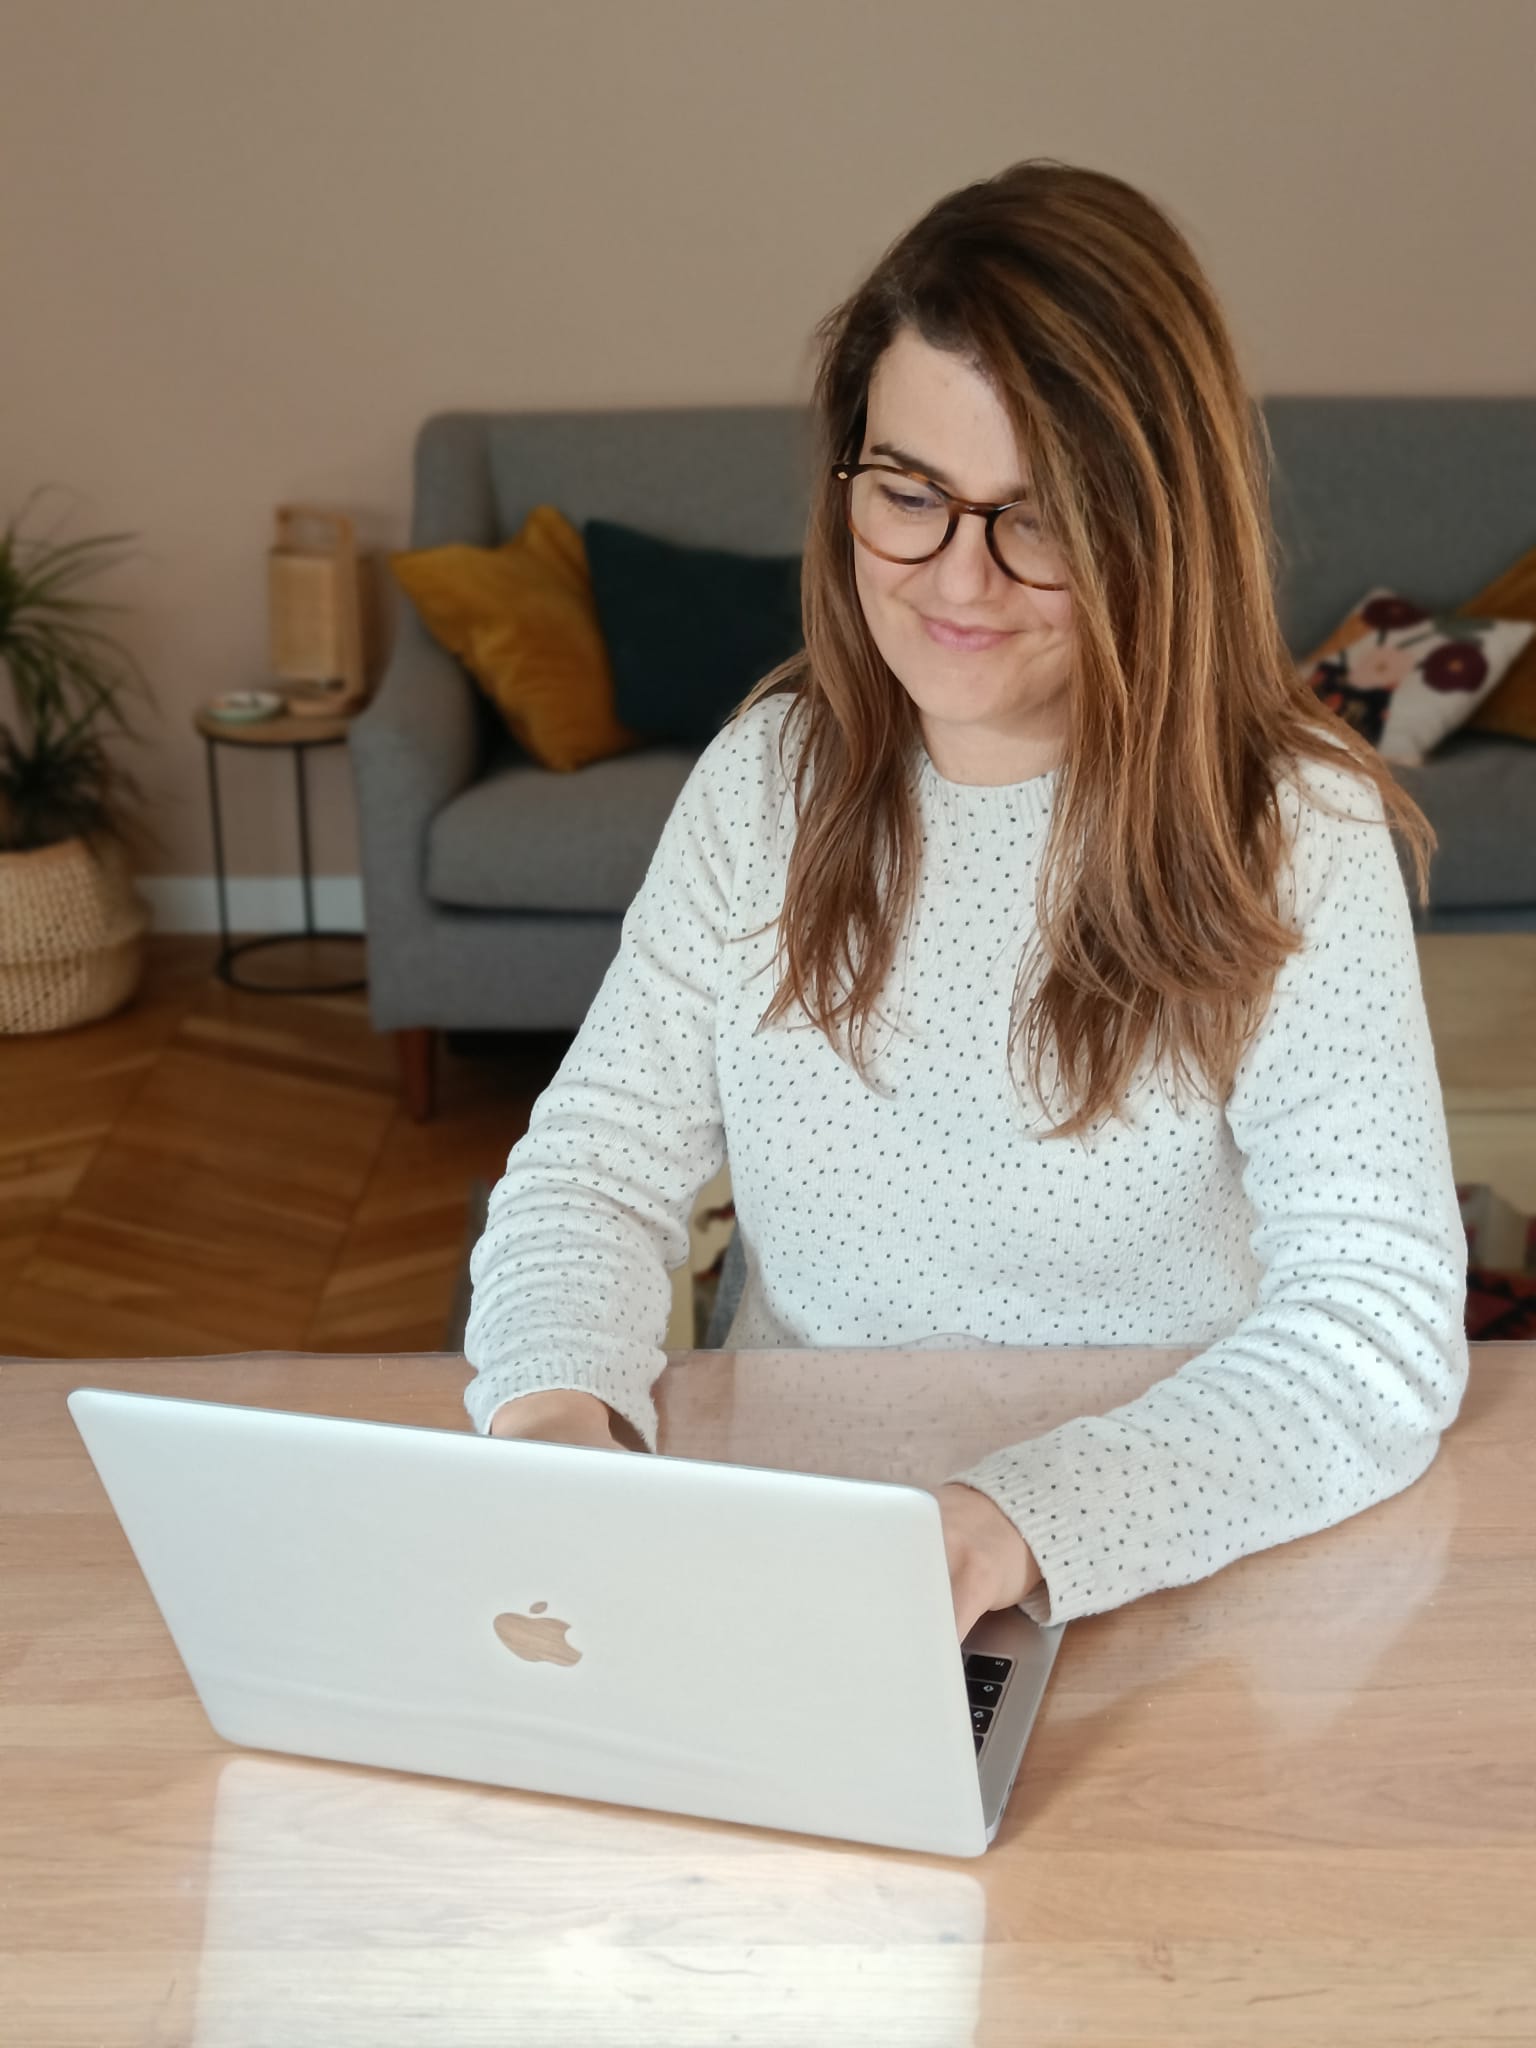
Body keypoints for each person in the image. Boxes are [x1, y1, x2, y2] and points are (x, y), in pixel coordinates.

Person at [462, 158, 1468, 1636]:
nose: (959, 578)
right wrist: (556, 1419)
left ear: (1157, 525)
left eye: (1037, 517)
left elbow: (1378, 1326)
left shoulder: (1290, 821)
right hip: (799, 1552)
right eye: (910, 494)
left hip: (1157, 1573)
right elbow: (590, 1175)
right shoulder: (765, 782)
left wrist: (1015, 1524)